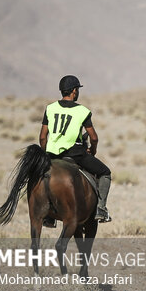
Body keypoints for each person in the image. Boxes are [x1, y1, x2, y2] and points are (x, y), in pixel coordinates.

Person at [39, 75, 112, 227]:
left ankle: (49, 215)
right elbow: (94, 137)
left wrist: (46, 155)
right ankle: (101, 209)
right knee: (105, 172)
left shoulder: (50, 108)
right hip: (75, 154)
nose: (77, 92)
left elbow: (42, 137)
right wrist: (93, 149)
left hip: (52, 155)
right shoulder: (82, 111)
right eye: (77, 89)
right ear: (74, 91)